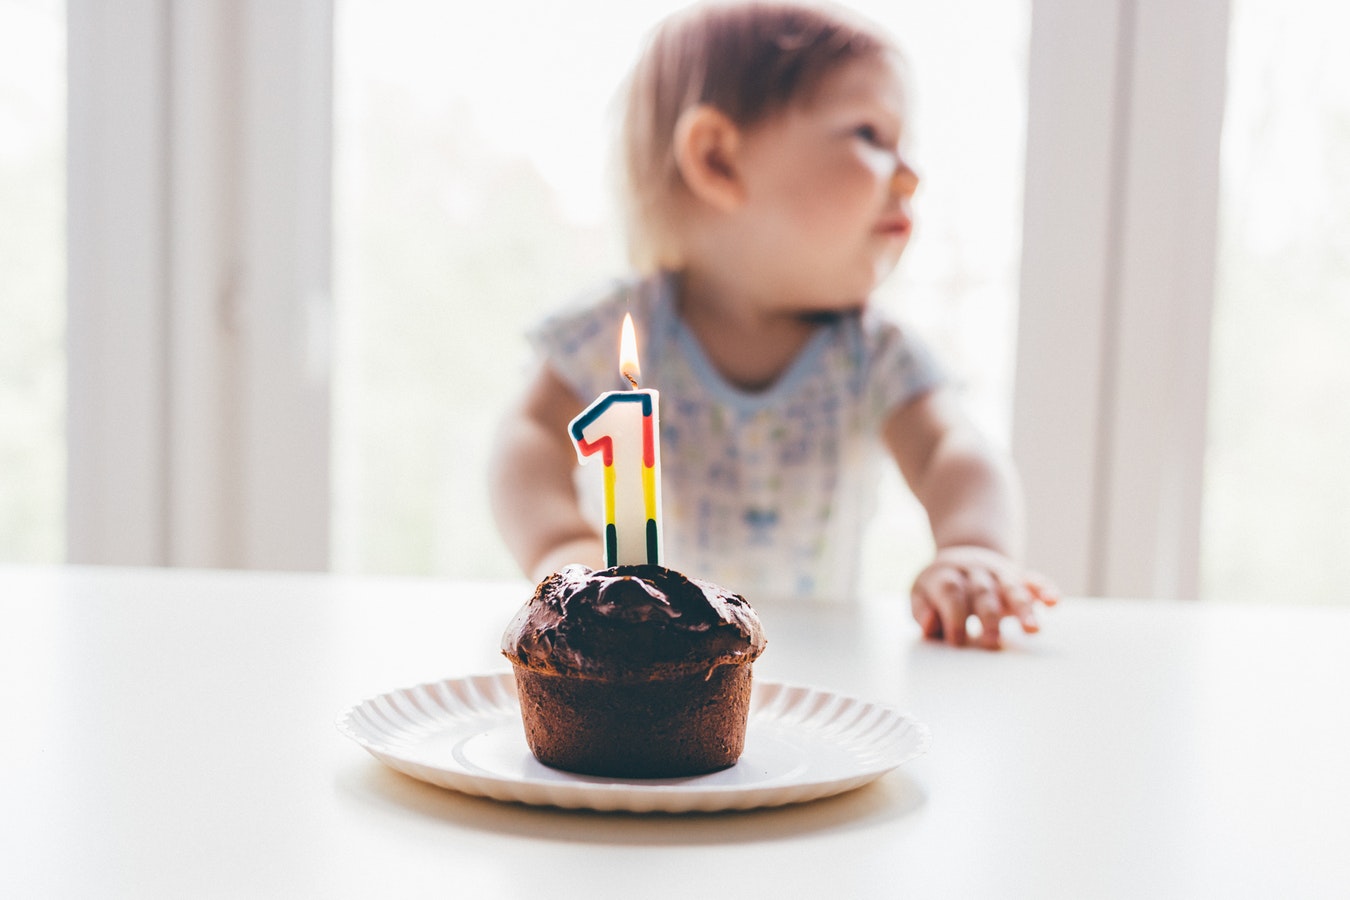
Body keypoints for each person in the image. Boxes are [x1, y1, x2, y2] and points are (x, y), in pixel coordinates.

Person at [489, 0, 1058, 649]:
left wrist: (972, 547)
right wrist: (562, 545)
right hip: (642, 656)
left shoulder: (871, 353)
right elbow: (528, 435)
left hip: (814, 659)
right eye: (870, 135)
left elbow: (950, 450)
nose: (911, 174)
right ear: (718, 160)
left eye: (905, 144)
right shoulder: (624, 325)